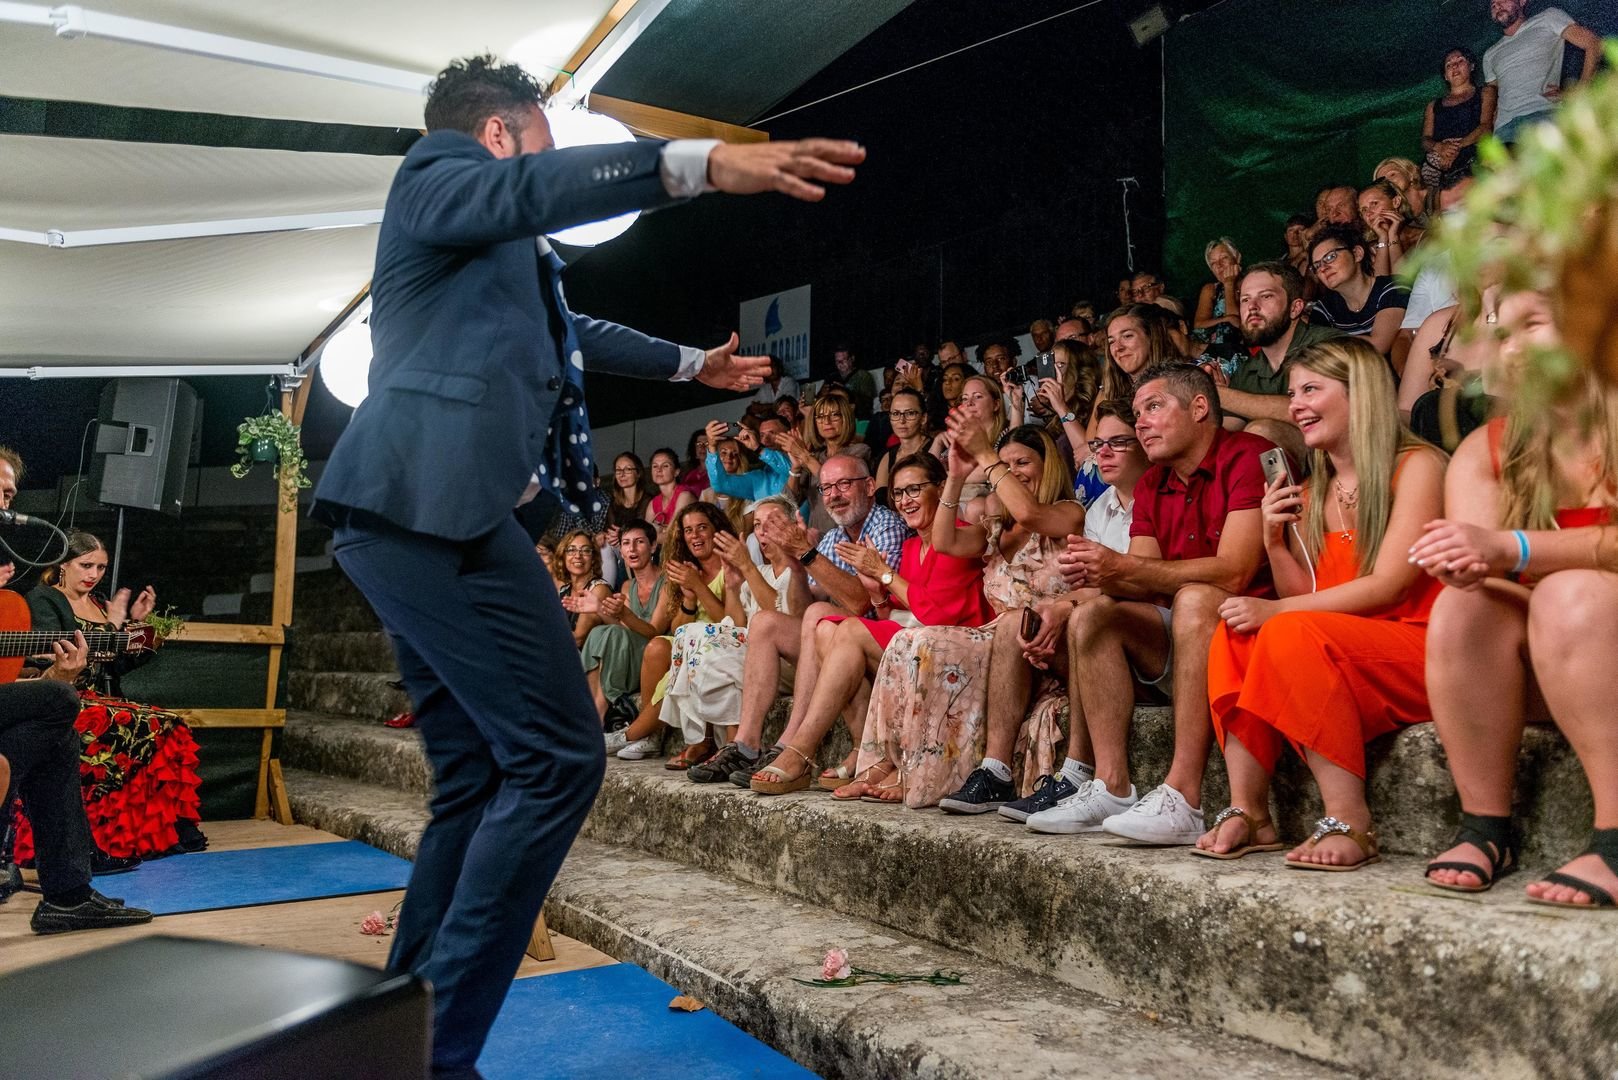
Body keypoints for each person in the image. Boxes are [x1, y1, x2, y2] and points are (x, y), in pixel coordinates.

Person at [309, 52, 859, 1076]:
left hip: (442, 522)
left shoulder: (498, 257)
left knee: (475, 778)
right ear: (501, 133)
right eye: (547, 139)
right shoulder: (435, 174)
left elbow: (577, 330)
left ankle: (393, 1030)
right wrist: (691, 166)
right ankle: (436, 1050)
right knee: (558, 759)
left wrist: (696, 366)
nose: (555, 165)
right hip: (424, 517)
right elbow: (528, 192)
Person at [1197, 338, 1446, 869]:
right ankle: (1250, 810)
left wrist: (1278, 614)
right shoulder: (1313, 490)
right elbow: (1304, 598)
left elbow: (1391, 585)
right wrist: (1271, 541)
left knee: (1281, 627)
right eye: (1292, 393)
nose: (1295, 406)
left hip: (1423, 646)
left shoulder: (1418, 467)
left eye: (1311, 389)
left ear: (1362, 394)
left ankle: (1350, 819)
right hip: (1349, 649)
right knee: (1237, 634)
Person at [1410, 291, 1618, 907]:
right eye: (1502, 333)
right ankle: (1485, 826)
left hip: (1590, 627)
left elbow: (1510, 552)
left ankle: (1614, 837)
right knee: (1463, 608)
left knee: (1569, 594)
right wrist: (1462, 562)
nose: (1514, 347)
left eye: (1536, 325)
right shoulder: (1485, 449)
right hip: (1564, 657)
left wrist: (1516, 548)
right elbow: (1489, 570)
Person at [1029, 364, 1270, 840]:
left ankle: (1184, 795)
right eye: (1137, 412)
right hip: (1182, 639)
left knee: (1197, 599)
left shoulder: (1249, 455)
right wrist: (1093, 578)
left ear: (1200, 407)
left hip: (1249, 632)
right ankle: (1111, 785)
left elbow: (1236, 570)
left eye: (1153, 408)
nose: (1140, 423)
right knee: (1095, 615)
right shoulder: (1152, 483)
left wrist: (1123, 569)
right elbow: (1138, 576)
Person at [852, 425, 1082, 809]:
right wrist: (956, 478)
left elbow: (1029, 510)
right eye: (1005, 465)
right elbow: (945, 541)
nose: (1011, 472)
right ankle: (901, 765)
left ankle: (975, 773)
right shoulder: (996, 530)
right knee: (907, 638)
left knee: (924, 639)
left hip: (1051, 641)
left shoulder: (1067, 513)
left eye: (1022, 462)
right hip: (1002, 649)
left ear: (1050, 466)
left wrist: (989, 458)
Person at [751, 454, 997, 796]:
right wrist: (877, 593)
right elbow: (892, 617)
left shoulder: (960, 537)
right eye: (898, 493)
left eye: (914, 489)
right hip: (918, 644)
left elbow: (935, 614)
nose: (905, 500)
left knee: (846, 629)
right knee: (825, 627)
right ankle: (870, 756)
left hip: (957, 648)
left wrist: (883, 574)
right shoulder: (913, 546)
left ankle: (800, 751)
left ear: (942, 490)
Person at [693, 453, 909, 786]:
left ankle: (788, 745)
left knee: (820, 615)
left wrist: (807, 555)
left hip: (879, 639)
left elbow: (860, 602)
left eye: (843, 485)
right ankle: (747, 744)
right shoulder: (836, 535)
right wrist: (797, 565)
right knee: (766, 621)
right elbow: (801, 609)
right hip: (834, 637)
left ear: (869, 486)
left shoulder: (885, 525)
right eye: (826, 488)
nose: (834, 495)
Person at [988, 400, 1155, 822]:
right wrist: (1057, 613)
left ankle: (1080, 771)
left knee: (1086, 618)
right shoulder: (1101, 509)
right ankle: (995, 770)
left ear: (1145, 444)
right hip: (1101, 640)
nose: (1104, 453)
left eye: (1119, 442)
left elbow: (1138, 585)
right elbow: (1088, 588)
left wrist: (1066, 608)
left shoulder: (1149, 497)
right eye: (1098, 444)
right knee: (1029, 622)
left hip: (1151, 640)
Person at [20, 533, 206, 863]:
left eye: (101, 567)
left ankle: (146, 834)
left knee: (170, 724)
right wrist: (114, 625)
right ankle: (95, 841)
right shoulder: (44, 599)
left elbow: (118, 662)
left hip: (102, 700)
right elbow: (60, 656)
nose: (93, 574)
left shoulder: (101, 604)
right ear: (64, 565)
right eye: (86, 565)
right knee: (130, 722)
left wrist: (137, 624)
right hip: (61, 697)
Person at [662, 495, 803, 764]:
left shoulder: (799, 572)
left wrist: (746, 567)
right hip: (757, 657)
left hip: (787, 663)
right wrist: (733, 587)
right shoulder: (758, 570)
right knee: (689, 635)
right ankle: (704, 740)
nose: (763, 531)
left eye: (773, 523)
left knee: (709, 644)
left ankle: (732, 743)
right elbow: (734, 627)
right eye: (758, 524)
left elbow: (780, 620)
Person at [605, 502, 738, 764]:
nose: (695, 536)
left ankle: (632, 734)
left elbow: (730, 622)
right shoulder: (686, 568)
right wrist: (689, 598)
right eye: (688, 530)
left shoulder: (729, 567)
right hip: (689, 640)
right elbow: (677, 629)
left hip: (722, 640)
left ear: (717, 530)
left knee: (688, 658)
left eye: (702, 528)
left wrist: (698, 586)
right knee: (657, 646)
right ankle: (651, 736)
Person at [1212, 261, 1339, 462]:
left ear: (1295, 308)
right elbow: (1225, 432)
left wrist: (1221, 395)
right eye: (1245, 300)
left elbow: (1316, 409)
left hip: (1339, 456)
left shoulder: (1329, 344)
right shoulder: (1247, 370)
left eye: (1266, 296)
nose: (1252, 307)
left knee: (1260, 432)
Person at [575, 520, 667, 720]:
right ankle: (590, 710)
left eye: (639, 542)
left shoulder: (667, 583)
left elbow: (654, 632)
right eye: (626, 543)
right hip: (627, 651)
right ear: (622, 551)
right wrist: (599, 609)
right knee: (599, 631)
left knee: (611, 634)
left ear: (652, 546)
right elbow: (623, 629)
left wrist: (624, 614)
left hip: (653, 655)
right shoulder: (626, 586)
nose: (632, 549)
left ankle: (597, 716)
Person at [1483, 0, 1601, 146]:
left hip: (1544, 114)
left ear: (1522, 2)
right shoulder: (1490, 54)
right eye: (1493, 4)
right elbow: (1493, 96)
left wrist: (1581, 90)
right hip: (1505, 129)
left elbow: (1593, 43)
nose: (1497, 5)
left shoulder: (1547, 18)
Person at [1306, 225, 1410, 363]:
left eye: (1331, 257)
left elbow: (1378, 345)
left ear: (1357, 254)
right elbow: (1318, 356)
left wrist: (1330, 342)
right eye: (1317, 265)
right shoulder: (1323, 309)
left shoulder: (1393, 288)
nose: (1324, 268)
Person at [781, 388, 871, 534]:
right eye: (820, 417)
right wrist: (796, 468)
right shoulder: (815, 457)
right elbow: (787, 504)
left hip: (849, 535)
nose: (827, 422)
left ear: (846, 418)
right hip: (818, 536)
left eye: (834, 416)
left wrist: (804, 455)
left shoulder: (859, 451)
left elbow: (833, 481)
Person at [1422, 46, 1496, 191]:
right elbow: (1425, 139)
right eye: (1449, 64)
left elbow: (1486, 126)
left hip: (1474, 151)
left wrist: (1455, 149)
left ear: (1472, 66)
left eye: (1460, 61)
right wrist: (1440, 148)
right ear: (1445, 75)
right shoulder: (1433, 106)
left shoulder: (1486, 92)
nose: (1454, 66)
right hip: (1441, 158)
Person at [873, 388, 934, 505]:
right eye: (896, 414)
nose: (902, 420)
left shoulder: (935, 448)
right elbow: (880, 499)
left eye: (910, 413)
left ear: (923, 418)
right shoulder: (887, 456)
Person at [553, 530, 612, 649]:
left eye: (585, 550)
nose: (578, 556)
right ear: (563, 556)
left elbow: (577, 640)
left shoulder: (598, 589)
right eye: (571, 550)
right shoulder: (564, 589)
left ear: (593, 558)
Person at [1357, 179, 1425, 277]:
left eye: (1374, 204)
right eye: (1364, 210)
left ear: (1396, 202)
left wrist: (1393, 236)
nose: (1369, 213)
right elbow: (1382, 288)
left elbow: (1402, 284)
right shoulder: (1369, 251)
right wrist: (1383, 239)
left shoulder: (1424, 237)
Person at [1193, 238, 1243, 343]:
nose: (1219, 265)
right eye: (1213, 263)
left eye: (1224, 258)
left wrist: (1229, 284)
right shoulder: (1210, 290)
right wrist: (1225, 319)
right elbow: (1198, 325)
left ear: (1237, 258)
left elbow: (1236, 328)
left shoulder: (1252, 285)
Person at [646, 447, 695, 529]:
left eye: (665, 466)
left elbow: (672, 535)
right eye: (655, 466)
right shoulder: (653, 503)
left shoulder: (684, 496)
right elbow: (644, 535)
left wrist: (655, 535)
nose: (659, 470)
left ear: (676, 472)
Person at [830, 345, 878, 419]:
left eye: (844, 360)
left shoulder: (863, 376)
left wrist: (845, 391)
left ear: (852, 358)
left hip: (858, 418)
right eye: (837, 361)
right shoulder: (832, 377)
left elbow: (867, 404)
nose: (840, 363)